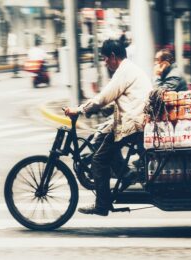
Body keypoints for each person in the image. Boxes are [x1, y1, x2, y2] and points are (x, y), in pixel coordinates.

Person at [64, 39, 152, 216]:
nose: (104, 62)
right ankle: (125, 174)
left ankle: (102, 205)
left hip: (133, 123)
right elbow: (117, 98)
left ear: (113, 56)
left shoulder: (124, 71)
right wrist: (97, 109)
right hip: (135, 119)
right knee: (102, 139)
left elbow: (104, 96)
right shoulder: (129, 69)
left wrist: (80, 109)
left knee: (98, 160)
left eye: (105, 58)